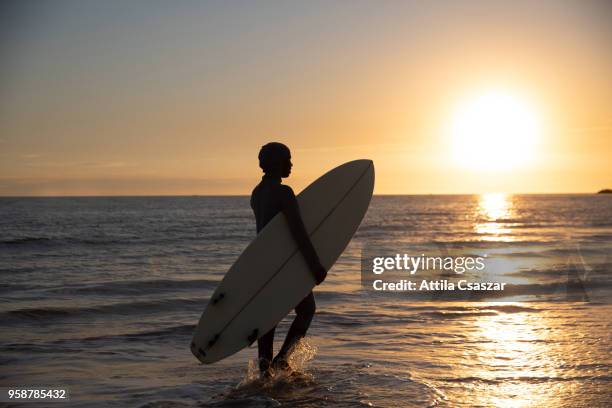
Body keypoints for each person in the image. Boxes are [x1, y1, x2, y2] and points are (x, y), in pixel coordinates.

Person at [250, 142, 327, 376]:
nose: (291, 165)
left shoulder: (257, 193)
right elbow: (298, 232)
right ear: (277, 163)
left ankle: (264, 372)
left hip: (263, 263)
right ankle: (282, 359)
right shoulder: (283, 192)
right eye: (288, 160)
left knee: (269, 317)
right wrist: (315, 266)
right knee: (307, 310)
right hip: (285, 263)